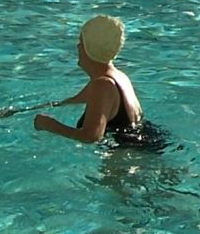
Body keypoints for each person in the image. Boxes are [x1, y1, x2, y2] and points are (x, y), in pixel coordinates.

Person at [34, 15, 165, 149]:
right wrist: (22, 111)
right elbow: (69, 102)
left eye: (81, 42)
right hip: (147, 145)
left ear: (90, 48)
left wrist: (50, 125)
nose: (77, 47)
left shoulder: (103, 85)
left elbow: (92, 136)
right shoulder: (119, 77)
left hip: (130, 157)